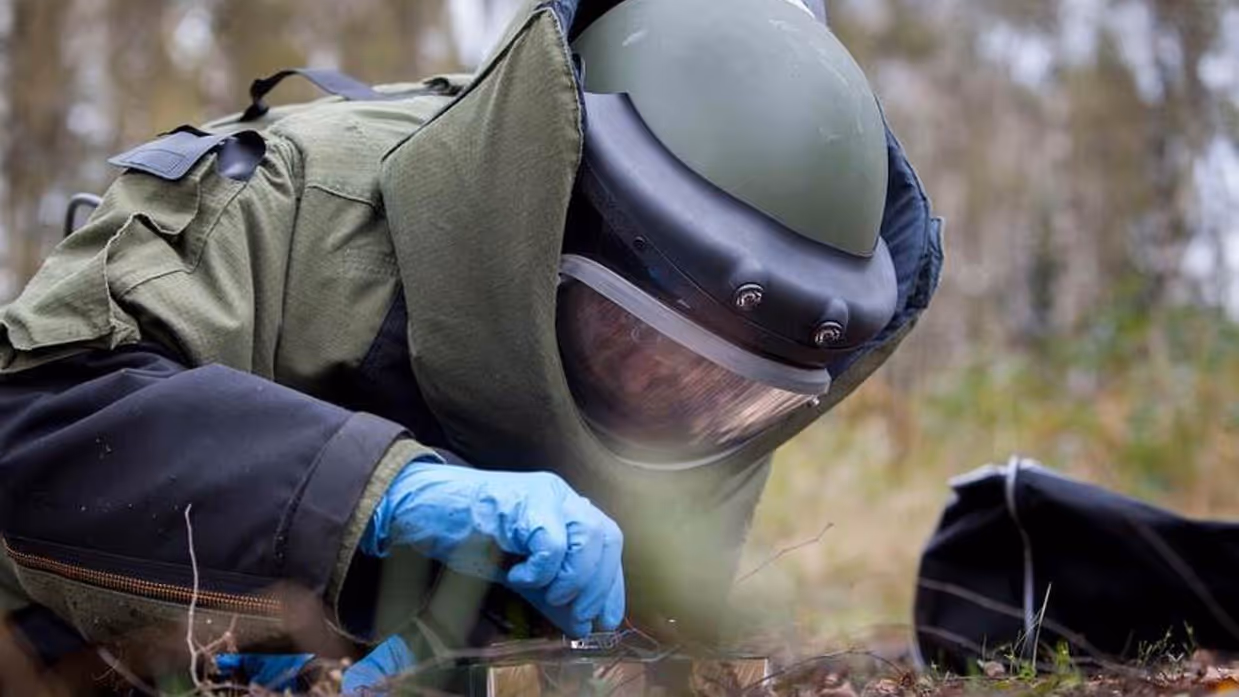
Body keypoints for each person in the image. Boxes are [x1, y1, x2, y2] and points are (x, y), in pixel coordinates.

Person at [0, 0, 942, 691]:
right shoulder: (281, 205)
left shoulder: (707, 386)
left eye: (724, 393)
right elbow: (30, 423)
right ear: (562, 233)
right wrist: (374, 496)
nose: (673, 394)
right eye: (636, 343)